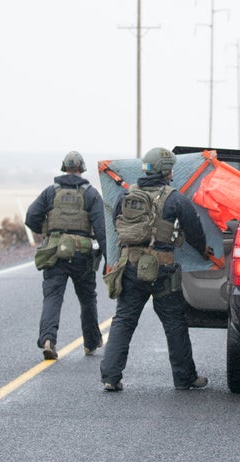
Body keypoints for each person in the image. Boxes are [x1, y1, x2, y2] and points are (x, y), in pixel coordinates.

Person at [100, 147, 210, 392]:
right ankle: (184, 379)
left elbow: (115, 227)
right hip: (163, 270)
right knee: (174, 322)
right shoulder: (175, 199)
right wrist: (205, 252)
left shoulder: (125, 196)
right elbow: (194, 229)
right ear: (165, 171)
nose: (172, 172)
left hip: (131, 267)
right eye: (170, 168)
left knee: (124, 320)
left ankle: (110, 376)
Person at [25, 151, 106, 360]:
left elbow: (31, 217)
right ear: (82, 169)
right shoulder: (91, 194)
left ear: (64, 168)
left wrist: (47, 232)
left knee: (52, 297)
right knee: (88, 298)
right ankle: (90, 342)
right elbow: (102, 229)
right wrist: (109, 258)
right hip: (82, 255)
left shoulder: (50, 192)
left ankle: (48, 340)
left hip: (54, 253)